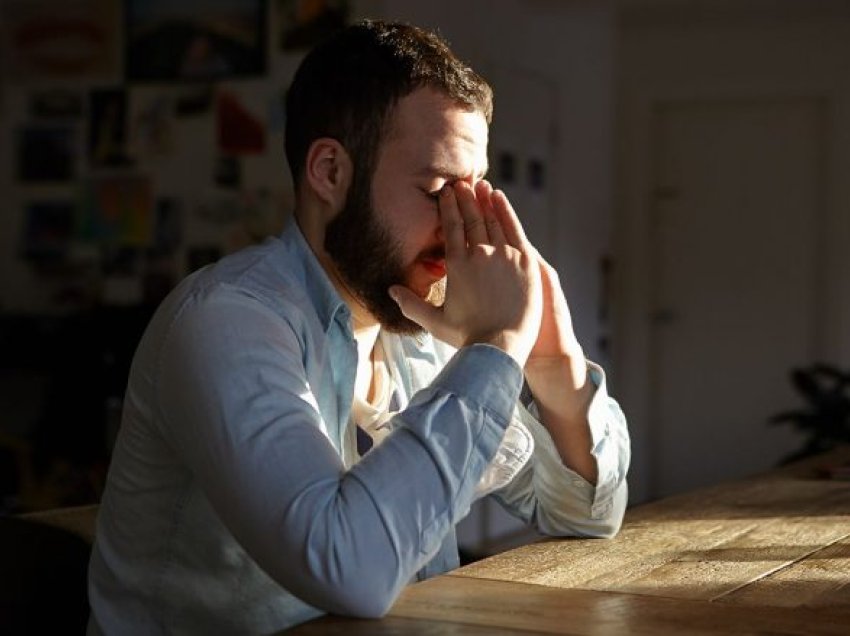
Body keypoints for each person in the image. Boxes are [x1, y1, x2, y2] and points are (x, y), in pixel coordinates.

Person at [87, 20, 630, 634]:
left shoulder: (421, 327)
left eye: (474, 193)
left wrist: (553, 367)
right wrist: (497, 346)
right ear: (329, 172)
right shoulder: (225, 321)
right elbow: (348, 568)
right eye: (438, 191)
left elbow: (585, 514)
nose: (463, 226)